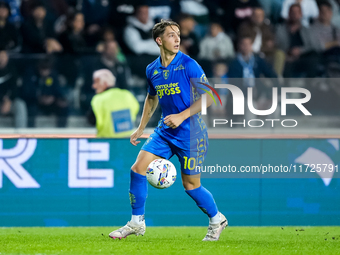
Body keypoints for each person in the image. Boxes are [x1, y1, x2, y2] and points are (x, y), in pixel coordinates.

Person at [108, 19, 227, 241]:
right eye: (172, 35)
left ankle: (216, 219)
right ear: (159, 40)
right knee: (137, 169)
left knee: (191, 186)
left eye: (178, 34)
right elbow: (151, 98)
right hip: (165, 131)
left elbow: (210, 97)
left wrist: (182, 116)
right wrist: (140, 128)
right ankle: (136, 223)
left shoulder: (188, 64)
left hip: (192, 134)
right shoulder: (152, 69)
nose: (177, 38)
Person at [87, 69, 139, 138]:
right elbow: (136, 111)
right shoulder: (128, 95)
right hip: (128, 142)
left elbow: (91, 120)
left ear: (104, 83)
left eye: (96, 82)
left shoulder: (98, 99)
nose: (94, 86)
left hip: (108, 142)